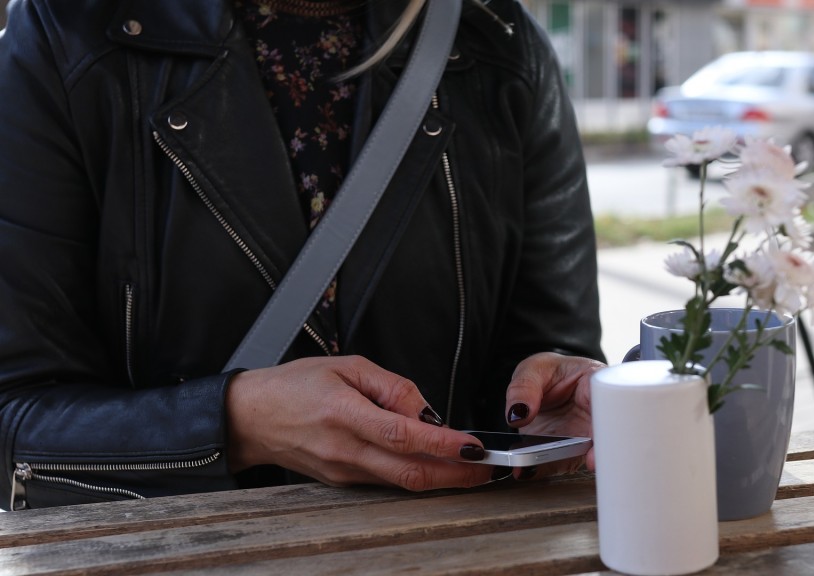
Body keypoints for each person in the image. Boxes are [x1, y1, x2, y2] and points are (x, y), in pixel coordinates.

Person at [0, 0, 605, 510]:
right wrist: (234, 423)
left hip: (446, 554)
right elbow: (15, 419)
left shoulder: (494, 41)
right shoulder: (70, 29)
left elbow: (549, 359)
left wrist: (556, 416)